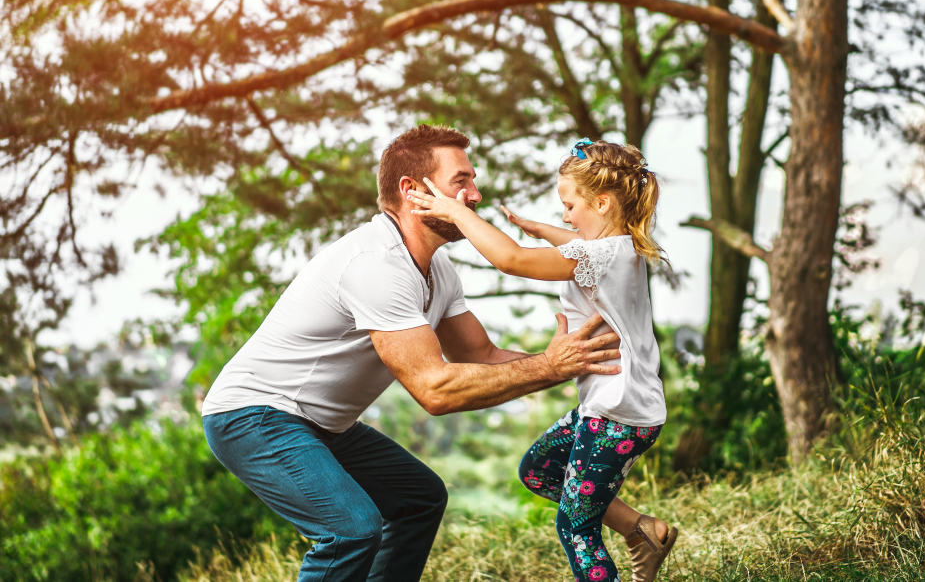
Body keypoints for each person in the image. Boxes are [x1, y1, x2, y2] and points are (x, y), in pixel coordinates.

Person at [200, 125, 624, 582]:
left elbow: (481, 354)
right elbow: (435, 390)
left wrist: (576, 363)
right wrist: (550, 366)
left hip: (323, 424)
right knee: (350, 532)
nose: (476, 195)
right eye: (461, 181)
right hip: (253, 416)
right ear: (411, 189)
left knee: (419, 498)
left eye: (472, 181)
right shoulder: (375, 264)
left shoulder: (437, 268)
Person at [409, 138, 678, 582]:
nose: (566, 216)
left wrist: (458, 212)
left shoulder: (599, 257)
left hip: (619, 412)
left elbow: (511, 260)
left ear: (603, 202)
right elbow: (580, 242)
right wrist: (541, 229)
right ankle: (645, 531)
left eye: (569, 206)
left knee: (575, 526)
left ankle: (631, 546)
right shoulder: (623, 246)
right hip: (611, 406)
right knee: (539, 470)